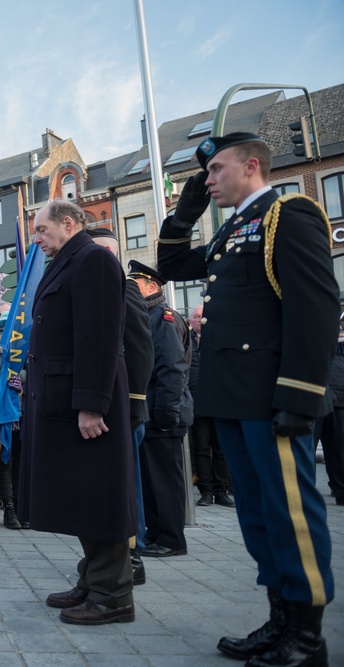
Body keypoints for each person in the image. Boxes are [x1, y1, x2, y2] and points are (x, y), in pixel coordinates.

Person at [157, 132, 336, 664]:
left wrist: (300, 396)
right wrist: (184, 212)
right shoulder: (234, 229)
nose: (208, 181)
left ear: (251, 165)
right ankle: (280, 619)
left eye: (215, 171)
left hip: (271, 397)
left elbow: (317, 310)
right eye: (205, 175)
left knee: (291, 513)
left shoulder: (290, 215)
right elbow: (170, 268)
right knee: (258, 516)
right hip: (234, 397)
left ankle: (307, 636)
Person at [20, 199, 137, 626]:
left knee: (100, 495)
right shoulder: (71, 260)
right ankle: (93, 580)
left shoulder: (93, 261)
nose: (36, 238)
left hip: (85, 405)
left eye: (40, 229)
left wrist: (91, 404)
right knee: (84, 495)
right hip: (62, 400)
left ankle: (113, 595)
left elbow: (100, 337)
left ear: (68, 224)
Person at [88, 227, 154, 584]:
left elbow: (140, 348)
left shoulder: (123, 286)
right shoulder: (96, 287)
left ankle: (133, 554)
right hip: (106, 406)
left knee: (127, 485)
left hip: (124, 407)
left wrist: (135, 404)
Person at [127, 260, 193, 558]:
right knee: (151, 482)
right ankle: (155, 534)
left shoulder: (163, 318)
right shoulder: (145, 315)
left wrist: (166, 415)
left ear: (152, 287)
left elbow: (172, 369)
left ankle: (172, 538)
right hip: (149, 412)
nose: (129, 288)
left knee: (166, 481)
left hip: (163, 414)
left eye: (135, 284)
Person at [187, 304, 234, 508]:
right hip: (196, 404)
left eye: (203, 316)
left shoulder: (218, 339)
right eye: (196, 317)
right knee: (201, 450)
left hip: (219, 403)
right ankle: (205, 491)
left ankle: (221, 490)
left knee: (221, 449)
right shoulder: (185, 341)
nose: (200, 320)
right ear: (190, 322)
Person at [314, 319, 344, 507]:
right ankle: (303, 489)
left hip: (339, 396)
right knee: (307, 448)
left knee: (339, 448)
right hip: (314, 394)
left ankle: (341, 490)